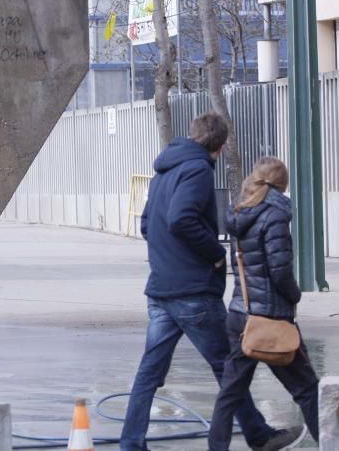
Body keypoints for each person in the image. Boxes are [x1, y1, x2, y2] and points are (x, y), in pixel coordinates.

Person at [119, 113, 299, 451]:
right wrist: (214, 253)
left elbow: (147, 225)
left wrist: (167, 256)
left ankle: (131, 444)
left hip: (160, 288)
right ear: (222, 145)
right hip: (192, 291)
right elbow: (181, 219)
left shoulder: (163, 172)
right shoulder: (199, 170)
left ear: (193, 134)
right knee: (228, 367)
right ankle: (259, 435)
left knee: (149, 372)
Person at [207, 157, 318, 450]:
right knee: (306, 388)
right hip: (271, 318)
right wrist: (294, 295)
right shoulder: (275, 215)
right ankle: (335, 442)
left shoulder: (239, 213)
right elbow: (279, 270)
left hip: (241, 315)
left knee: (231, 391)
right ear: (282, 184)